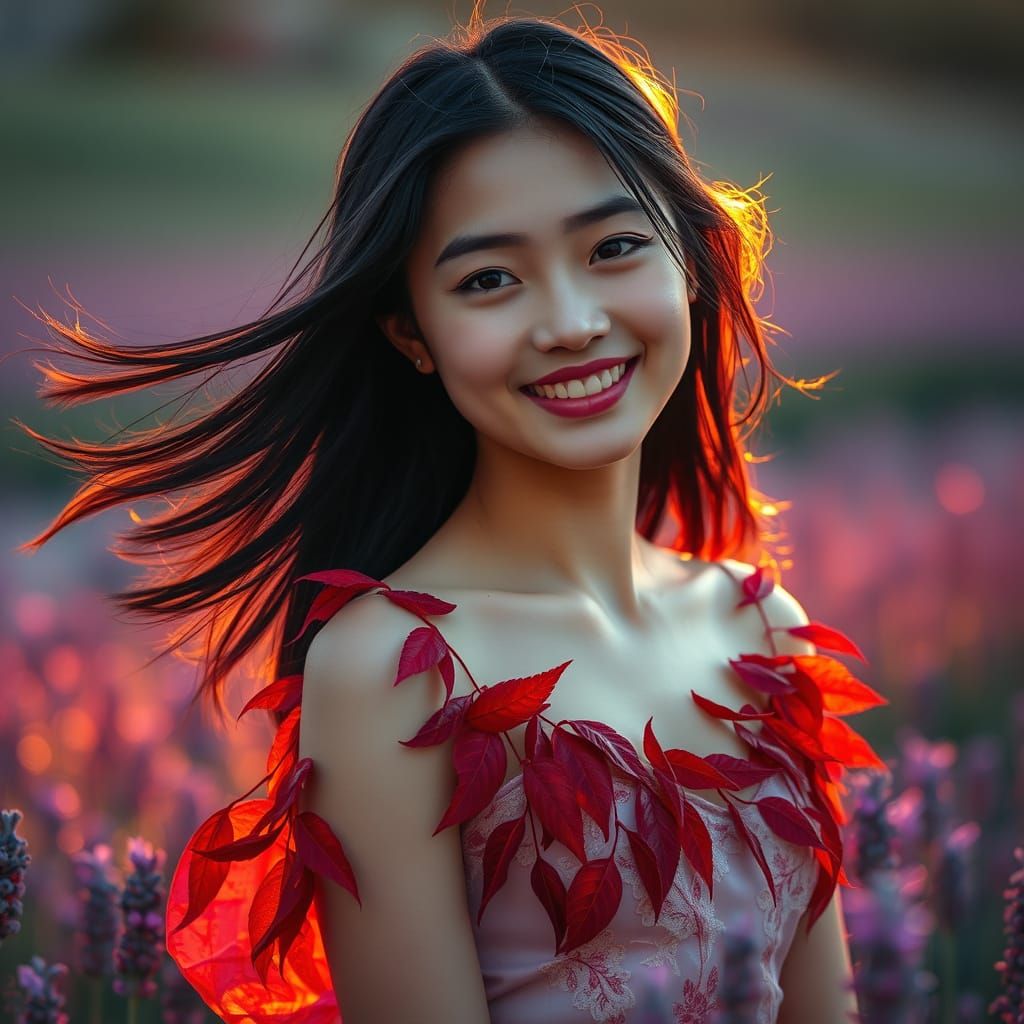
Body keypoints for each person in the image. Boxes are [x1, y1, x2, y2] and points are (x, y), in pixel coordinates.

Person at [17, 8, 887, 1022]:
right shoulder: (394, 671)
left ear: (690, 261)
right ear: (410, 332)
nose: (571, 322)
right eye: (489, 279)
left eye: (613, 246)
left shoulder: (766, 634)